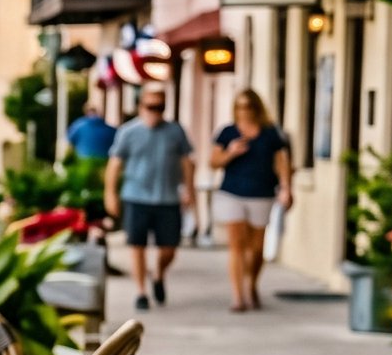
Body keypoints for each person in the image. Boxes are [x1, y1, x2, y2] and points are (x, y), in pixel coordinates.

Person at [104, 87, 195, 313]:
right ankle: (141, 292)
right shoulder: (128, 132)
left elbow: (186, 162)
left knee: (169, 248)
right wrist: (110, 194)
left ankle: (159, 274)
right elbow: (114, 164)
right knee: (137, 245)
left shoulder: (176, 131)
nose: (155, 112)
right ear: (140, 106)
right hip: (136, 197)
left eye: (160, 107)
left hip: (168, 197)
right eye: (151, 106)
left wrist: (189, 190)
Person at [207, 88, 293, 314]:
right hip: (231, 193)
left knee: (256, 248)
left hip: (262, 193)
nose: (245, 112)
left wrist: (286, 187)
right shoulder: (227, 133)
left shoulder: (270, 133)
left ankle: (251, 284)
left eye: (249, 107)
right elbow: (214, 162)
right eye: (241, 107)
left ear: (257, 108)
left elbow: (281, 162)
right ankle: (238, 296)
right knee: (236, 246)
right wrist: (231, 152)